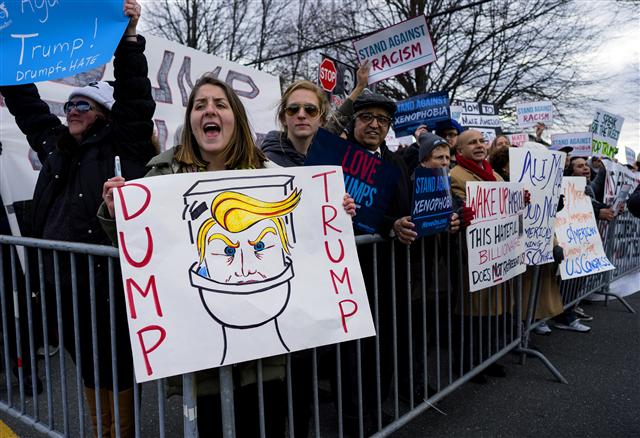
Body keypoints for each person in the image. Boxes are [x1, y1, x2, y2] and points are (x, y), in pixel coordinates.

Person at [101, 74, 354, 437]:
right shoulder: (161, 175)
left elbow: (309, 223)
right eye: (200, 105)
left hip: (265, 351)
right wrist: (116, 215)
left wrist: (336, 208)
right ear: (190, 120)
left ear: (234, 116)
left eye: (220, 104)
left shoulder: (266, 172)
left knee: (264, 424)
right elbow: (140, 251)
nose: (210, 111)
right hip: (202, 349)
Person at [0, 2, 153, 436]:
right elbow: (26, 105)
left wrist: (128, 38)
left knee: (117, 372)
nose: (73, 111)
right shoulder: (54, 148)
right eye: (69, 106)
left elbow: (135, 96)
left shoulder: (124, 146)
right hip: (60, 295)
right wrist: (6, 51)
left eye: (83, 105)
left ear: (103, 113)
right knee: (87, 372)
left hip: (107, 294)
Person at [450, 129, 509, 383]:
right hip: (469, 256)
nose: (479, 145)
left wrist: (519, 200)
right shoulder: (456, 175)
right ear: (459, 151)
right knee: (472, 313)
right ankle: (467, 364)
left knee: (492, 312)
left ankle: (487, 358)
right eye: (471, 142)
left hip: (495, 254)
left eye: (482, 141)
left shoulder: (494, 174)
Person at [260, 80, 329, 166]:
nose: (301, 115)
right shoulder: (265, 164)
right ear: (283, 118)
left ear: (321, 119)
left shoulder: (325, 165)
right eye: (293, 109)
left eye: (310, 109)